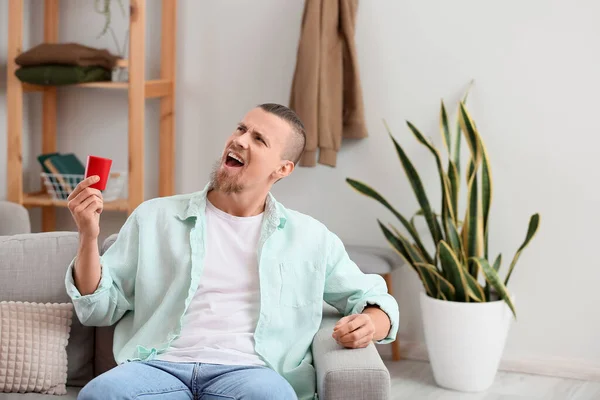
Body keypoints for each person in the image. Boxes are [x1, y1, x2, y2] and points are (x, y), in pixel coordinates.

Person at [65, 103, 399, 400]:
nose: (240, 140)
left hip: (251, 374)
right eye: (241, 129)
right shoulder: (155, 217)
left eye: (259, 139)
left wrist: (371, 323)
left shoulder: (311, 238)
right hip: (159, 366)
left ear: (282, 169)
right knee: (101, 393)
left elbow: (374, 299)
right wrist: (88, 236)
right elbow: (99, 308)